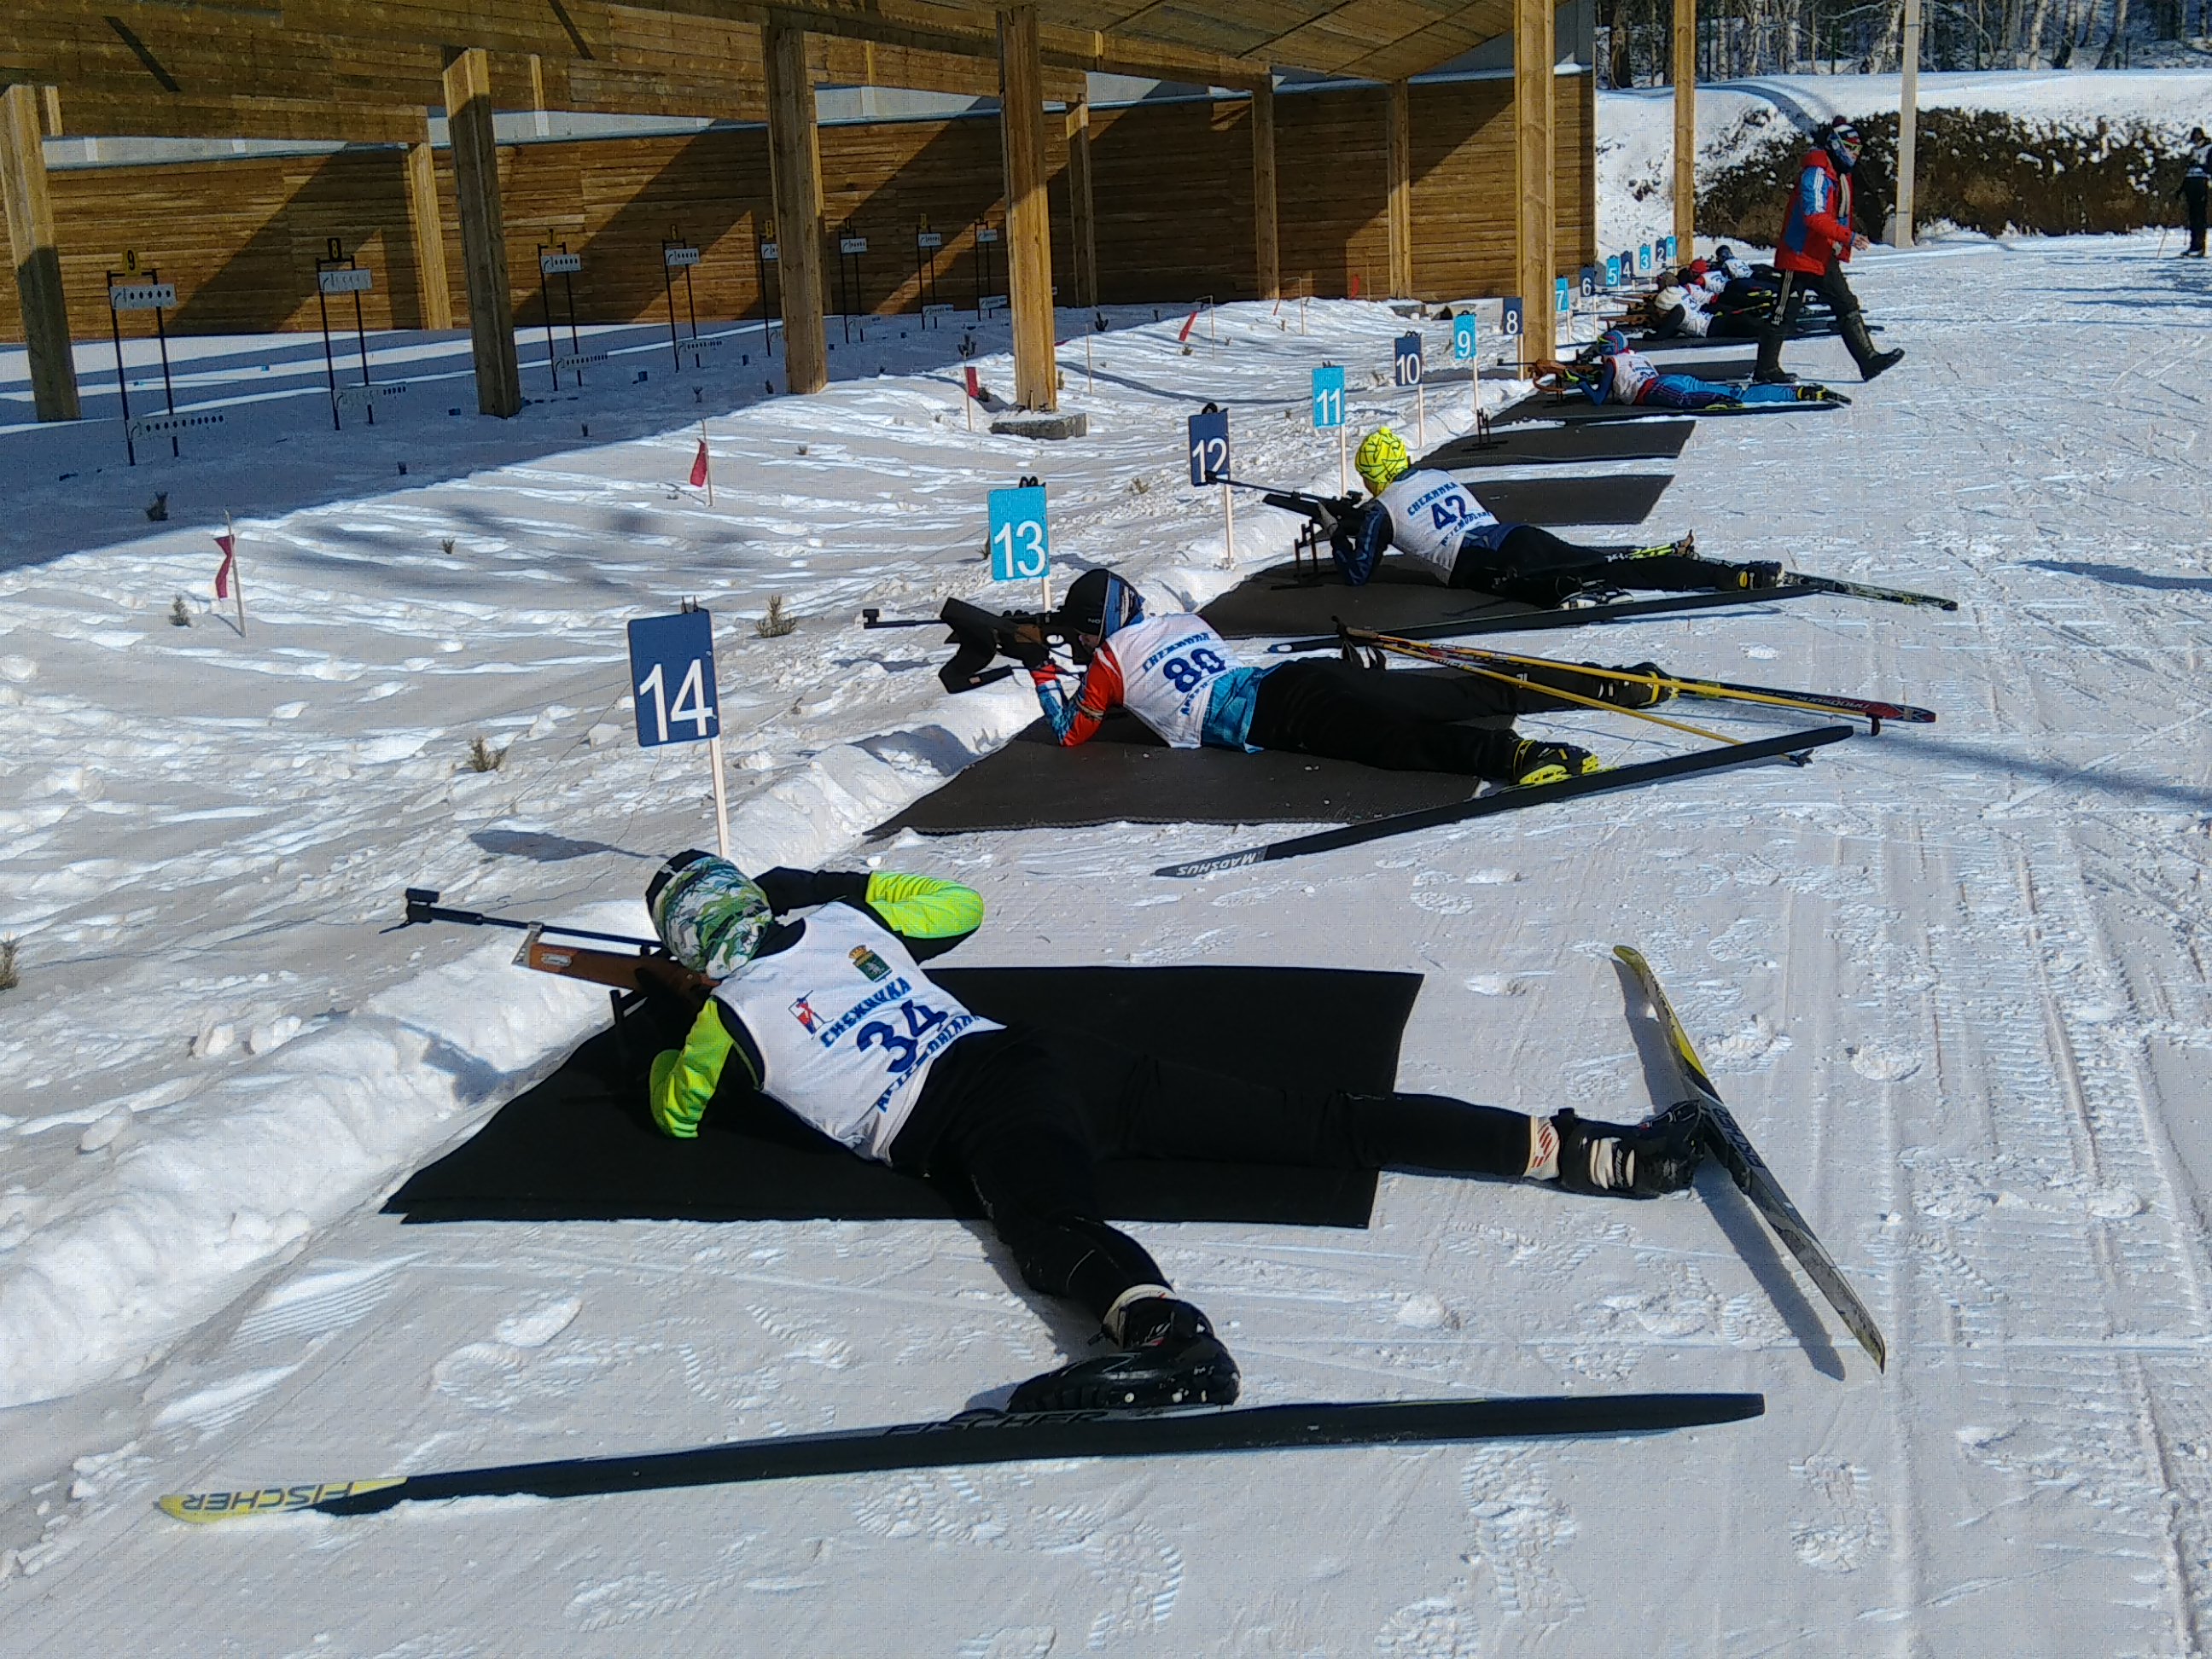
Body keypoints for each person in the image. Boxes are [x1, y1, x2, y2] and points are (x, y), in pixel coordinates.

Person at [639, 851, 1704, 1413]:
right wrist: (824, 888)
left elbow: (674, 1113)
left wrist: (668, 1018)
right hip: (1048, 1059)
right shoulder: (840, 921)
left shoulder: (721, 1024)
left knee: (1052, 1227)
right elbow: (953, 905)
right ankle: (1588, 1151)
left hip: (967, 1112)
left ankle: (1163, 1339)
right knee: (1320, 1123)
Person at [1027, 565, 1674, 785]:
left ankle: (1519, 757)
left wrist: (1038, 670)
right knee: (1454, 693)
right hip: (1300, 680)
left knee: (1399, 740)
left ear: (1094, 627)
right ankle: (1606, 682)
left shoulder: (1107, 662)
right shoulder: (1181, 622)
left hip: (1283, 714)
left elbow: (1070, 733)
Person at [1330, 425, 1784, 607]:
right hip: (1511, 535)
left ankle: (1581, 593)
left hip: (1483, 563)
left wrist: (1336, 534)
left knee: (1575, 579)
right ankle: (1730, 573)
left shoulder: (1380, 510)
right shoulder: (1435, 473)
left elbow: (1356, 573)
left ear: (1372, 477)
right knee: (1604, 562)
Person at [1754, 119, 1904, 385]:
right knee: (1784, 312)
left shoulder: (1838, 174)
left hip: (1821, 255)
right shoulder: (1817, 172)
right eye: (1850, 149)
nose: (1854, 156)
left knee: (1845, 302)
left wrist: (1842, 246)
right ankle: (1765, 369)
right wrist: (1849, 238)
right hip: (1799, 255)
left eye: (1857, 150)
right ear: (1836, 146)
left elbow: (1837, 215)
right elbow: (1814, 215)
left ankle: (1868, 359)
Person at [1532, 329, 1842, 415]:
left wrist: (1578, 382)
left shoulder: (1612, 364)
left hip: (1654, 390)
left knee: (1696, 400)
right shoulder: (1634, 356)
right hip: (1665, 378)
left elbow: (1599, 399)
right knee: (1734, 391)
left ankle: (1720, 403)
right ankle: (1794, 393)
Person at [2180, 127, 2210, 257]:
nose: (2196, 140)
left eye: (2198, 137)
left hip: (2201, 184)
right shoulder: (2194, 150)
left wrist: (2201, 166)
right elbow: (2189, 170)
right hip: (2191, 185)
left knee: (2199, 218)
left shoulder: (2209, 149)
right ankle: (2193, 245)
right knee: (2192, 217)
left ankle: (2200, 246)